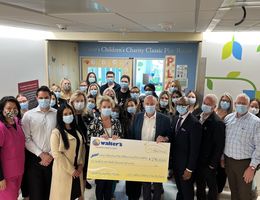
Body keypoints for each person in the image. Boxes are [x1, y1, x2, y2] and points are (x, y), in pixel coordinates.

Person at [131, 95, 171, 200]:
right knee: (145, 182)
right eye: (147, 104)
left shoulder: (165, 119)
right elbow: (132, 134)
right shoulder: (137, 117)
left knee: (157, 183)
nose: (149, 106)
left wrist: (165, 138)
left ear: (156, 104)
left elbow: (171, 136)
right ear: (143, 104)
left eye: (152, 104)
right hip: (142, 155)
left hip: (157, 156)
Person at [22, 86, 57, 200]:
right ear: (36, 98)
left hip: (53, 158)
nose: (44, 100)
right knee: (36, 193)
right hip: (35, 159)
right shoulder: (28, 115)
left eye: (46, 97)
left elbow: (61, 136)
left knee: (52, 191)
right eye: (41, 98)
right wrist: (41, 155)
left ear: (50, 98)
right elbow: (26, 139)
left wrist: (50, 154)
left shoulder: (57, 114)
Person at [224, 93, 260, 200]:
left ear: (248, 105)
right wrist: (222, 158)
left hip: (245, 165)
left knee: (244, 195)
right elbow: (224, 140)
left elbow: (259, 147)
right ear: (234, 104)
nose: (240, 105)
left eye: (243, 103)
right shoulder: (228, 118)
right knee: (233, 193)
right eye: (238, 103)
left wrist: (252, 167)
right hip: (229, 162)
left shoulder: (256, 122)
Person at [88, 95, 121, 200]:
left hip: (113, 159)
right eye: (104, 107)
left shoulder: (116, 122)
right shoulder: (93, 123)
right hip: (99, 159)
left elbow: (122, 139)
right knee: (100, 184)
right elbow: (89, 141)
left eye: (109, 107)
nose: (107, 109)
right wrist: (99, 140)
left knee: (110, 185)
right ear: (99, 108)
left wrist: (118, 139)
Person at [50, 104, 85, 200]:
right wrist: (72, 170)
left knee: (76, 195)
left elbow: (82, 149)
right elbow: (56, 154)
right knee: (64, 196)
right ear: (60, 117)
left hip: (78, 170)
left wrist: (81, 165)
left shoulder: (76, 130)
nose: (68, 116)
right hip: (64, 172)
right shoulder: (56, 133)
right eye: (65, 114)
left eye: (70, 113)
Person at [195, 94, 225, 200]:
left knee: (212, 186)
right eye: (204, 103)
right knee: (200, 186)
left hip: (209, 163)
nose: (206, 106)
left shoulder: (218, 123)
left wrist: (213, 164)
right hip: (197, 160)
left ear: (214, 107)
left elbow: (219, 146)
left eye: (209, 104)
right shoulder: (198, 117)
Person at [171, 96, 202, 200]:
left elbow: (195, 149)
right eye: (178, 104)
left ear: (188, 107)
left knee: (187, 191)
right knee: (180, 190)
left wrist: (189, 169)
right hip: (176, 163)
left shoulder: (194, 123)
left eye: (182, 105)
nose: (180, 107)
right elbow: (174, 138)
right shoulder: (176, 118)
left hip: (186, 166)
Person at [0, 96, 25, 200]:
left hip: (18, 171)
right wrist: (0, 178)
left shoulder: (17, 123)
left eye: (15, 108)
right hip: (6, 175)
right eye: (9, 108)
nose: (12, 111)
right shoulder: (1, 128)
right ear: (2, 110)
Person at [69, 90, 92, 190]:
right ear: (72, 102)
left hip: (86, 147)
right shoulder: (69, 115)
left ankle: (82, 188)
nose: (79, 103)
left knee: (85, 168)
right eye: (77, 101)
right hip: (73, 148)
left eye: (82, 101)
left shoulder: (88, 114)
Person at [122, 98, 142, 200]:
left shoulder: (141, 118)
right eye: (128, 105)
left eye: (132, 105)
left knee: (138, 178)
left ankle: (136, 196)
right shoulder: (124, 119)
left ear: (136, 105)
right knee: (129, 177)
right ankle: (130, 195)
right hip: (127, 152)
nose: (130, 107)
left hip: (139, 152)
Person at [215, 92, 233, 194]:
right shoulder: (214, 112)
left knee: (221, 178)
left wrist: (222, 157)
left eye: (227, 101)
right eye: (223, 100)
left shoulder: (232, 117)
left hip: (224, 152)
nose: (224, 102)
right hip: (212, 151)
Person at [16, 94, 30, 200]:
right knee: (25, 179)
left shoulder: (32, 114)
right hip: (21, 154)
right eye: (20, 102)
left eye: (24, 101)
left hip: (33, 152)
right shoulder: (15, 119)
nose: (23, 103)